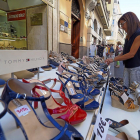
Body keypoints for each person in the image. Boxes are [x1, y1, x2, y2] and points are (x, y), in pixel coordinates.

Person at [105, 12, 140, 87]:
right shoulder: (129, 35)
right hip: (127, 67)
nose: (122, 27)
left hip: (135, 69)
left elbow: (131, 54)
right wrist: (113, 59)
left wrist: (114, 59)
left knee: (134, 93)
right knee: (126, 89)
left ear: (129, 21)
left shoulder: (138, 34)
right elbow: (125, 51)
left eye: (122, 24)